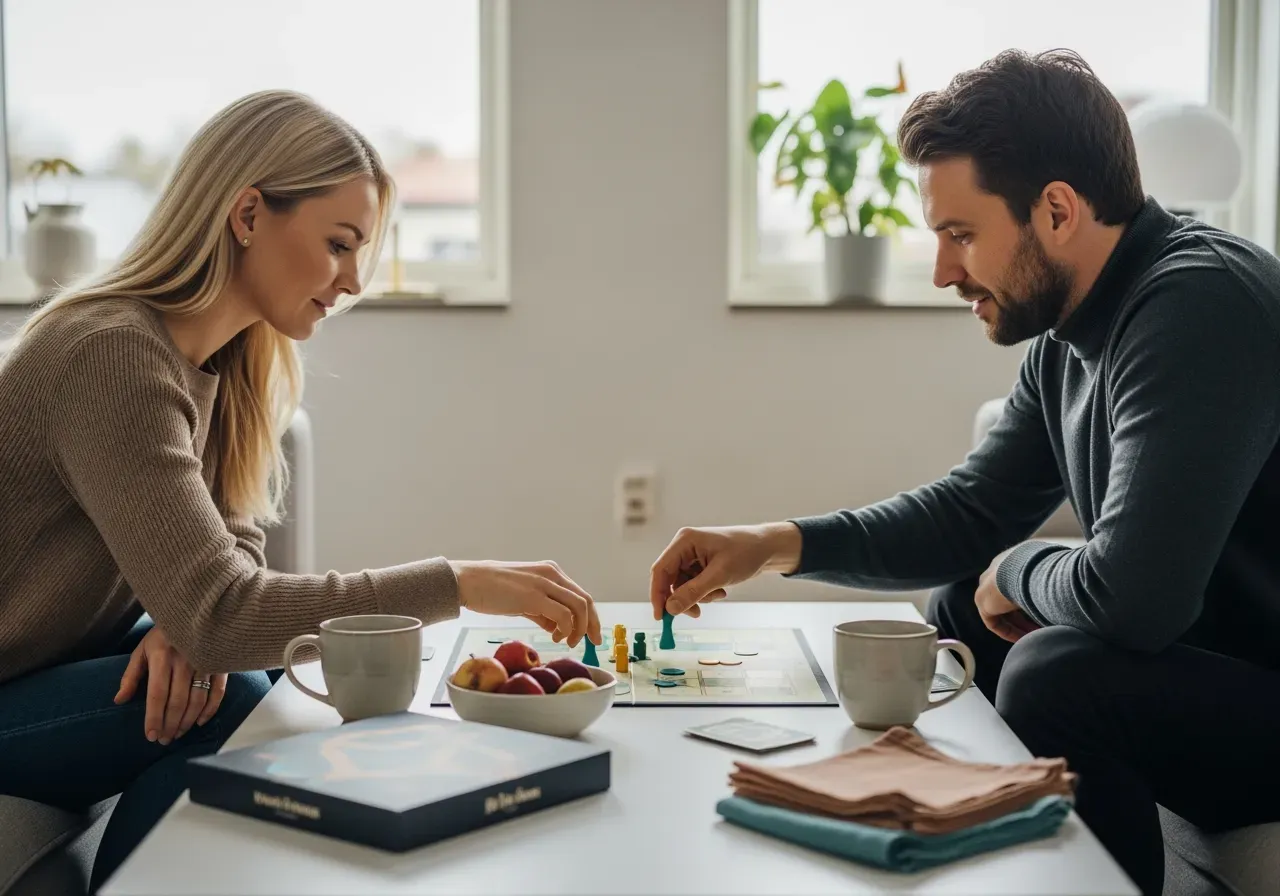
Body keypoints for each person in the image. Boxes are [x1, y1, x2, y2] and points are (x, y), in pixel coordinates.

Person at [647, 49, 1280, 896]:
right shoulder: (1070, 335)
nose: (945, 271)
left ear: (1057, 209)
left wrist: (1015, 568)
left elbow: (1136, 599)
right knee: (957, 609)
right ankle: (957, 847)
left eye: (961, 235)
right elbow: (973, 510)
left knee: (1059, 676)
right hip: (1214, 680)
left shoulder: (1199, 304)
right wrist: (771, 544)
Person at [0, 89, 600, 894]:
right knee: (236, 695)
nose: (354, 280)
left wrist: (187, 625)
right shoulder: (113, 357)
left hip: (45, 662)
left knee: (243, 682)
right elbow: (227, 611)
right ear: (248, 214)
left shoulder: (223, 360)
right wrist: (459, 583)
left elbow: (229, 538)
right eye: (339, 244)